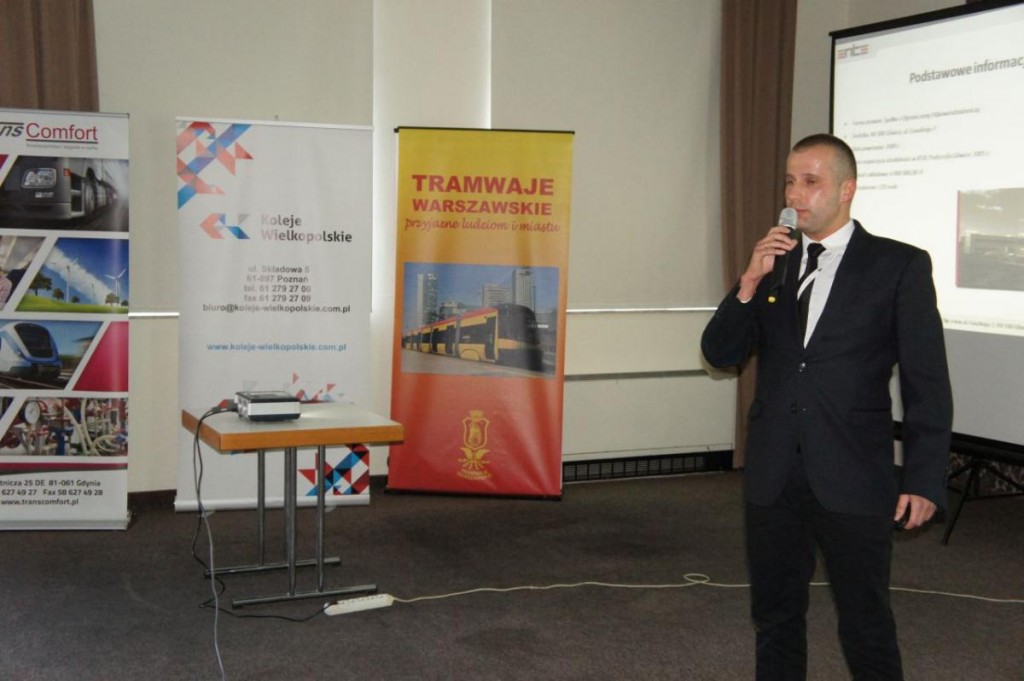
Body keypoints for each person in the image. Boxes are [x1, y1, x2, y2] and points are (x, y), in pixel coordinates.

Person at [701, 133, 952, 680]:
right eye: (790, 182)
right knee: (775, 617)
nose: (795, 195)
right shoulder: (776, 265)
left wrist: (924, 477)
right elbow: (720, 353)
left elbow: (927, 382)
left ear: (846, 189)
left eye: (810, 182)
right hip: (773, 473)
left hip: (853, 472)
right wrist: (748, 281)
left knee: (865, 623)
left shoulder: (898, 265)